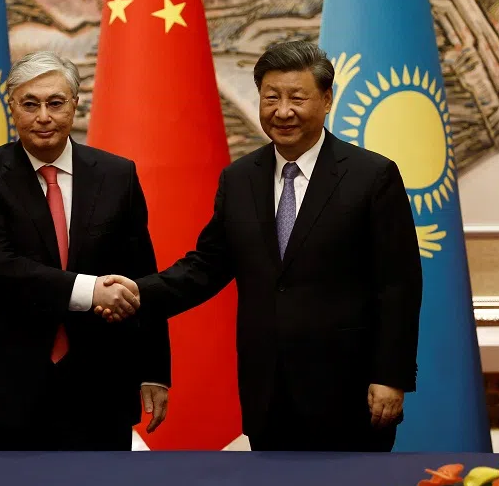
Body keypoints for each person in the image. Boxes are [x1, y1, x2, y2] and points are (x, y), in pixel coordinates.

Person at [99, 41, 422, 451]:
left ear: (327, 100)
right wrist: (135, 293)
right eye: (271, 98)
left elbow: (398, 285)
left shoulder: (372, 176)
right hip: (267, 393)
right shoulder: (239, 179)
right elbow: (205, 267)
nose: (282, 111)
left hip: (350, 392)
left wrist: (391, 375)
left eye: (297, 98)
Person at [0, 51, 171, 451]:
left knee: (101, 484)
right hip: (10, 376)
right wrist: (91, 291)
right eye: (29, 104)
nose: (43, 117)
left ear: (75, 104)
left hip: (102, 377)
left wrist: (154, 371)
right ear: (12, 107)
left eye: (55, 103)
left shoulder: (117, 174)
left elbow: (142, 275)